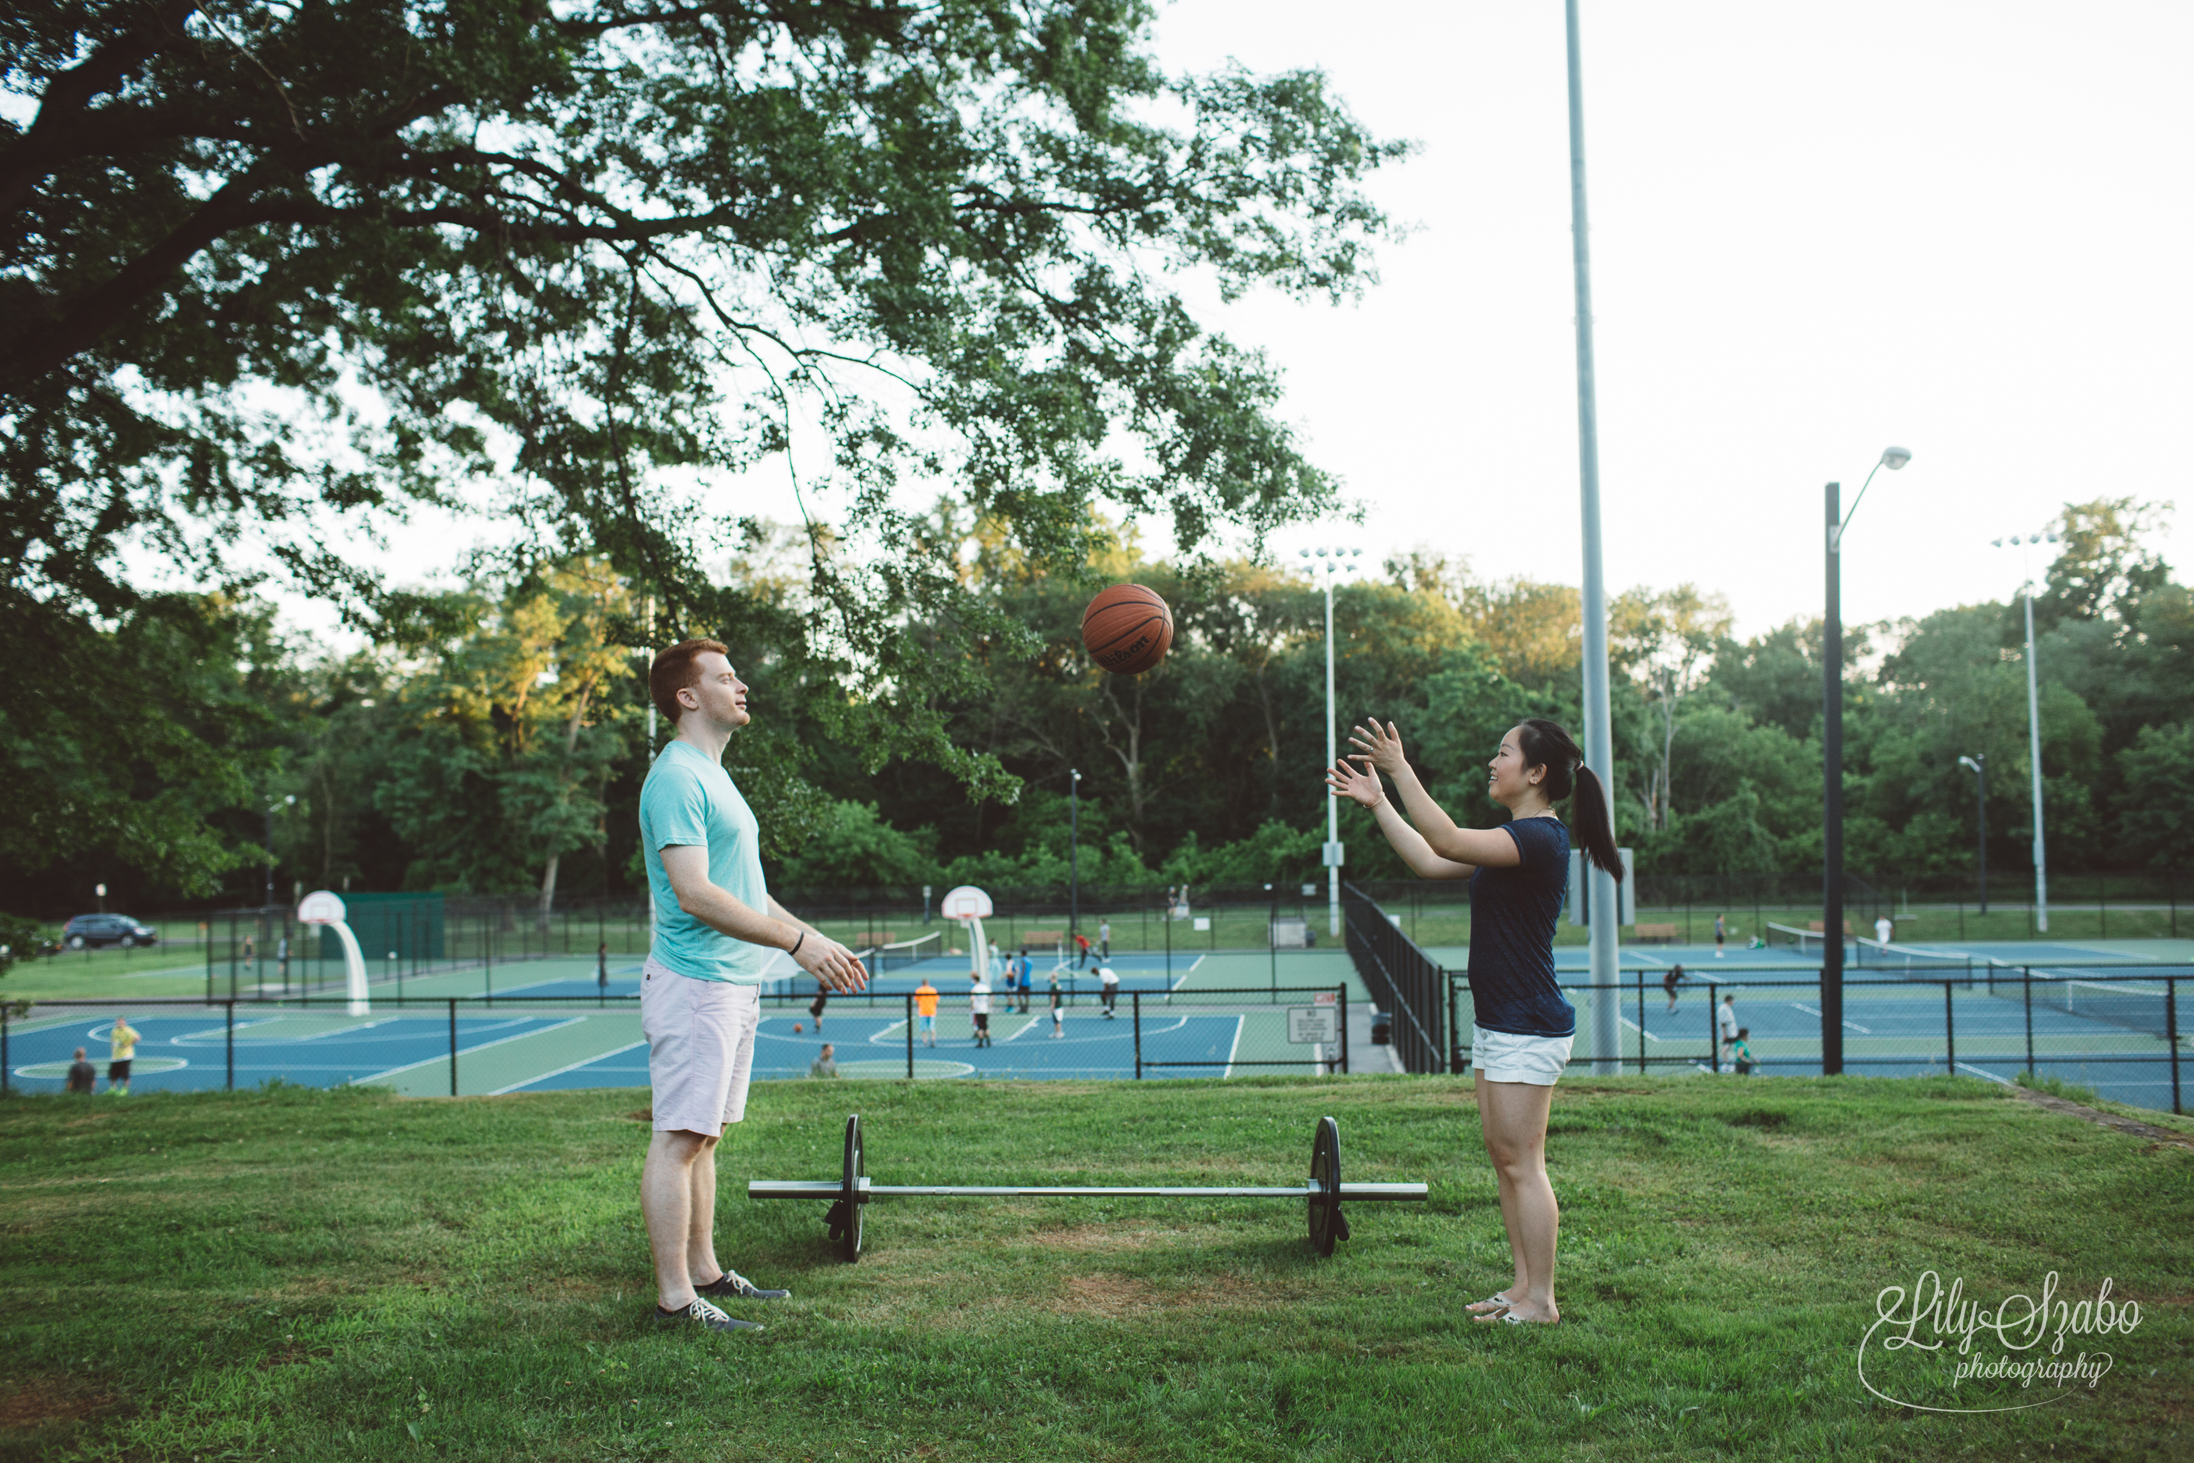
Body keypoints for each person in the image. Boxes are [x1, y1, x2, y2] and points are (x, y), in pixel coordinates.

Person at [1329, 715, 1623, 1328]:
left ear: (1536, 773)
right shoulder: (1512, 839)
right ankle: (1521, 1289)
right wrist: (1381, 801)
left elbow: (1448, 840)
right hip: (1501, 1020)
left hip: (1527, 1022)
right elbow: (1432, 861)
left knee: (1524, 1162)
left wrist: (1398, 769)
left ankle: (1541, 1300)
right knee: (1504, 1156)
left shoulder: (1541, 838)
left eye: (1504, 752)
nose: (1494, 762)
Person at [636, 638, 868, 1335]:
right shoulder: (677, 776)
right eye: (725, 676)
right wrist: (798, 943)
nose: (741, 686)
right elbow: (697, 893)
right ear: (687, 695)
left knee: (705, 1137)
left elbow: (749, 895)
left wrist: (808, 941)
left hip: (733, 982)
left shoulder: (713, 774)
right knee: (679, 1138)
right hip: (696, 983)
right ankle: (676, 1299)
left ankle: (705, 1272)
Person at [106, 1015, 141, 1095]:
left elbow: (137, 1037)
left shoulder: (128, 1030)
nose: (120, 1023)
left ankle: (125, 1090)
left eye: (122, 1021)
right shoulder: (114, 1031)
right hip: (116, 1056)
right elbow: (112, 1041)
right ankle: (113, 1089)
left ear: (124, 1022)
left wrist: (127, 1044)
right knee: (112, 1074)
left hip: (126, 1056)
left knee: (125, 1074)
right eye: (118, 1021)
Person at [969, 971, 994, 1047]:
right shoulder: (986, 987)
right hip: (985, 1009)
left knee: (980, 1026)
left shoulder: (975, 988)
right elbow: (992, 996)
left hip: (978, 1009)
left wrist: (972, 1005)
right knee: (985, 1025)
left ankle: (980, 1042)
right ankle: (988, 1040)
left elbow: (972, 998)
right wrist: (990, 1004)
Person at [1717, 994, 1740, 1072]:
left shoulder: (1727, 1008)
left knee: (1729, 1047)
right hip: (1728, 1032)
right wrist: (1724, 1034)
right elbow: (1723, 1023)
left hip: (1731, 1032)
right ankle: (1725, 1063)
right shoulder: (1723, 1009)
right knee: (1727, 1047)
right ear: (1729, 1000)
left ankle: (1727, 1062)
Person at [915, 978, 939, 1047]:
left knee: (923, 1028)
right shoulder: (933, 990)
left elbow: (917, 1001)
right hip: (931, 1011)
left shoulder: (919, 990)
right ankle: (933, 1040)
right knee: (932, 1027)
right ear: (928, 983)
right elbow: (936, 1000)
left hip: (923, 1011)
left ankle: (925, 1041)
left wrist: (919, 1007)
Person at [1048, 970, 1065, 1037]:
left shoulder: (1053, 986)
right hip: (1060, 1004)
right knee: (1057, 1019)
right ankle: (1057, 1032)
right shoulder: (1058, 985)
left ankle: (1058, 1032)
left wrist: (1052, 1005)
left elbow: (1053, 996)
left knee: (1056, 1020)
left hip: (1056, 1005)